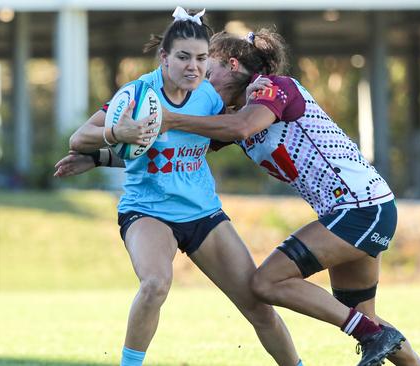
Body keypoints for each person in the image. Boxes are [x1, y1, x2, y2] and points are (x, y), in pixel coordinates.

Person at [159, 29, 420, 366]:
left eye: (208, 71)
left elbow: (242, 128)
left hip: (361, 207)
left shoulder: (273, 88)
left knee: (266, 282)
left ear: (232, 64)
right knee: (366, 320)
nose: (202, 80)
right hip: (350, 211)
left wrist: (170, 117)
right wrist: (103, 151)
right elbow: (181, 145)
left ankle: (373, 335)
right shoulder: (234, 112)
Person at [56, 9, 304, 366]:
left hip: (203, 213)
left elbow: (169, 150)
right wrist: (113, 135)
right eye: (184, 57)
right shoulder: (138, 93)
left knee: (258, 307)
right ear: (164, 57)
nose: (194, 67)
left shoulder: (210, 97)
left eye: (202, 59)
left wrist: (250, 95)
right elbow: (79, 137)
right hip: (148, 211)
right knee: (155, 283)